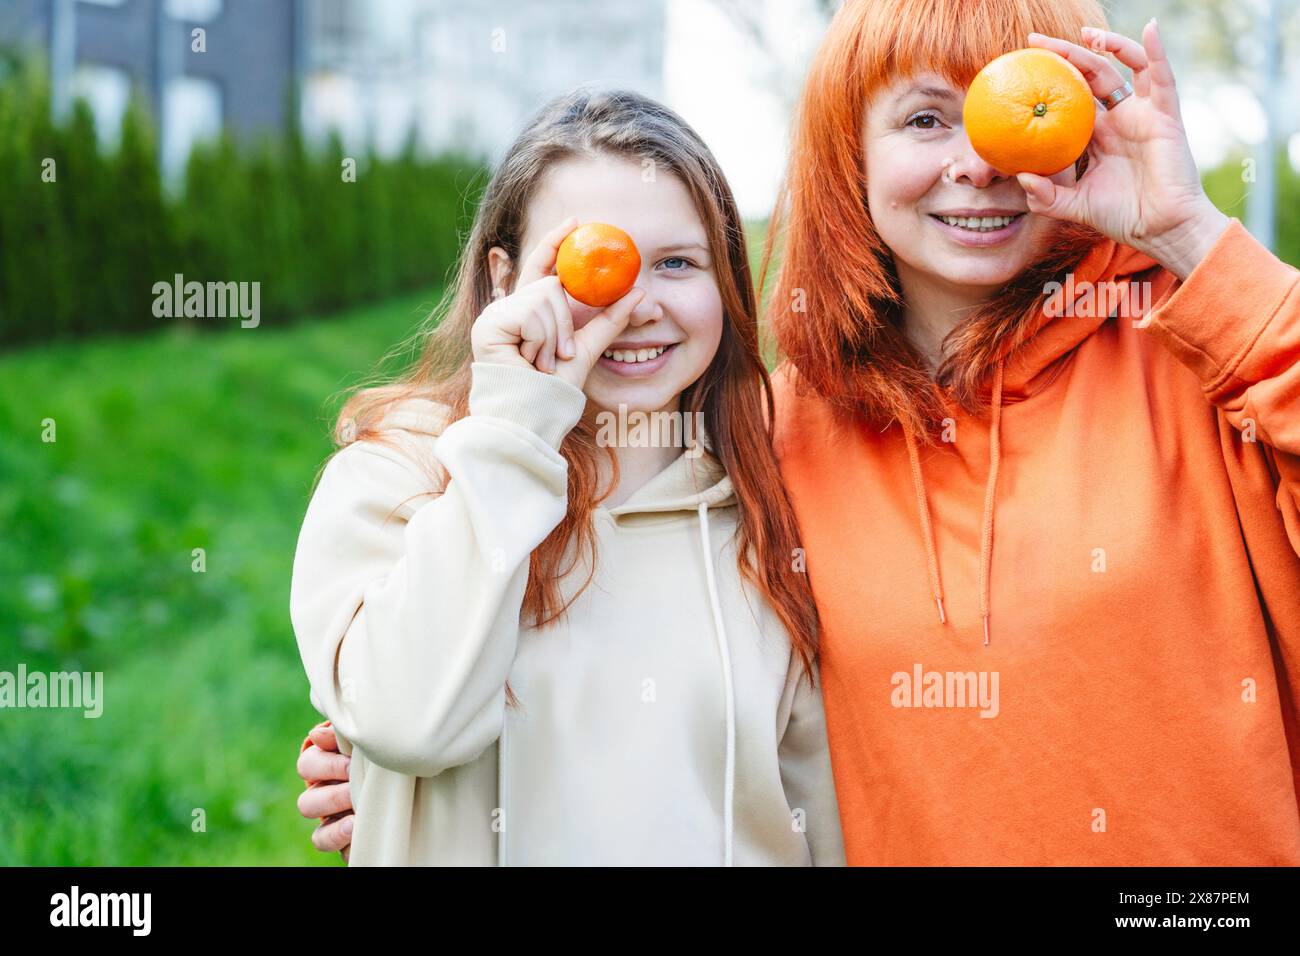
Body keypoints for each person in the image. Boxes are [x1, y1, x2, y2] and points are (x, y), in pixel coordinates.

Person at [765, 0, 1300, 864]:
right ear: (847, 150)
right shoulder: (780, 431)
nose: (979, 163)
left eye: (1014, 104)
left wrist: (1188, 234)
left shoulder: (1198, 339)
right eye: (927, 118)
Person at [289, 88, 845, 866]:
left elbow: (816, 811)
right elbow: (411, 724)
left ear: (725, 279)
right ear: (504, 277)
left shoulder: (771, 501)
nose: (638, 307)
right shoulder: (395, 478)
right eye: (593, 263)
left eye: (679, 263)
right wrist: (515, 431)